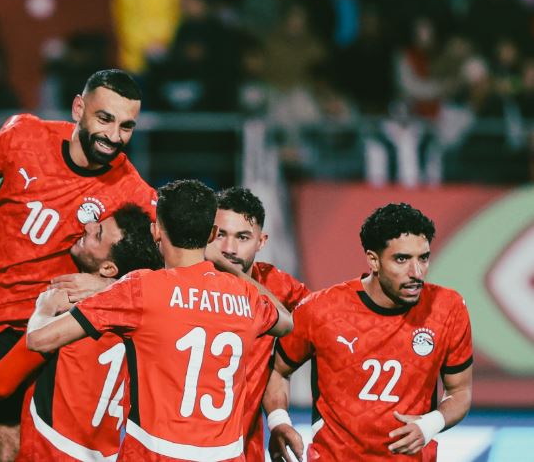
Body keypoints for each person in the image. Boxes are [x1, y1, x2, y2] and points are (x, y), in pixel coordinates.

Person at [0, 69, 157, 461]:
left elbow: (168, 261)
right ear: (79, 108)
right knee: (3, 436)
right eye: (104, 119)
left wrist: (105, 287)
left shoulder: (133, 190)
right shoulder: (25, 136)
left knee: (29, 438)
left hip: (47, 323)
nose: (114, 136)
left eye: (127, 126)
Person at [26, 180, 293, 461]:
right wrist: (228, 268)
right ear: (212, 234)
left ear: (156, 230)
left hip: (153, 454)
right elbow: (286, 322)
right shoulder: (246, 296)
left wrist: (45, 306)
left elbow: (39, 339)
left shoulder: (140, 289)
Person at [264, 203, 473, 461]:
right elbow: (277, 371)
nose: (416, 272)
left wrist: (430, 424)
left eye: (423, 258)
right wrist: (278, 421)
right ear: (373, 260)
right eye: (402, 259)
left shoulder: (447, 308)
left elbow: (460, 392)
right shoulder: (321, 310)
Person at [0, 204, 163, 461]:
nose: (87, 226)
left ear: (108, 268)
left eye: (98, 234)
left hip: (48, 451)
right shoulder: (148, 322)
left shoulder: (70, 318)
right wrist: (114, 286)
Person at [204, 187, 309, 462]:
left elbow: (331, 324)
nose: (228, 249)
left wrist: (277, 418)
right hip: (177, 448)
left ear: (261, 241)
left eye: (242, 237)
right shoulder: (180, 283)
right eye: (220, 235)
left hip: (243, 452)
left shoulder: (280, 288)